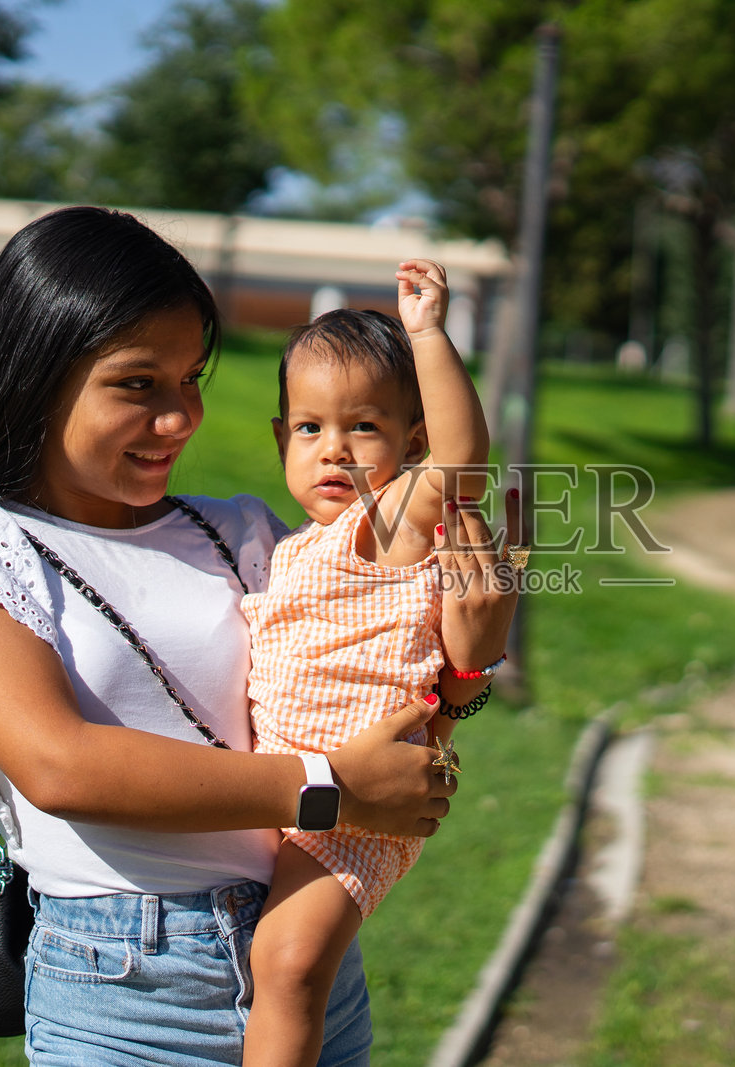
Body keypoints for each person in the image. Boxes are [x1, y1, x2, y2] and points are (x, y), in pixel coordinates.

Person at [0, 205, 517, 1067]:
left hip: (304, 956)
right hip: (126, 991)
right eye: (139, 384)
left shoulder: (241, 531)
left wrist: (466, 674)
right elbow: (60, 765)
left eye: (191, 378)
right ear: (38, 371)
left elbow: (370, 686)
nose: (180, 418)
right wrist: (332, 788)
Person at [242, 263, 499, 1067]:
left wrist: (427, 333)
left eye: (362, 426)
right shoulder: (293, 545)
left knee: (288, 963)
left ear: (410, 445)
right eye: (309, 428)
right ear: (281, 440)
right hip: (299, 789)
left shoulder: (387, 523)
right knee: (277, 962)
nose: (334, 450)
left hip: (359, 806)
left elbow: (465, 456)